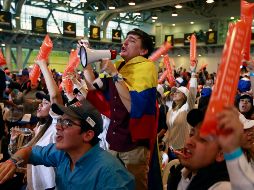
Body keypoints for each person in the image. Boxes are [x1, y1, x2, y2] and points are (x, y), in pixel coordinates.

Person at [0, 99, 135, 189]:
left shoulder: (112, 176)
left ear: (88, 135)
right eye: (60, 121)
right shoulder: (62, 153)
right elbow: (30, 151)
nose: (58, 127)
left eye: (67, 123)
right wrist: (12, 161)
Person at [82, 28, 157, 190]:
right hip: (114, 141)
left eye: (132, 40)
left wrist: (114, 73)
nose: (125, 42)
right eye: (125, 39)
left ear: (143, 51)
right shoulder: (119, 66)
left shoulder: (147, 67)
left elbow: (133, 107)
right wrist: (86, 60)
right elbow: (93, 86)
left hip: (134, 145)